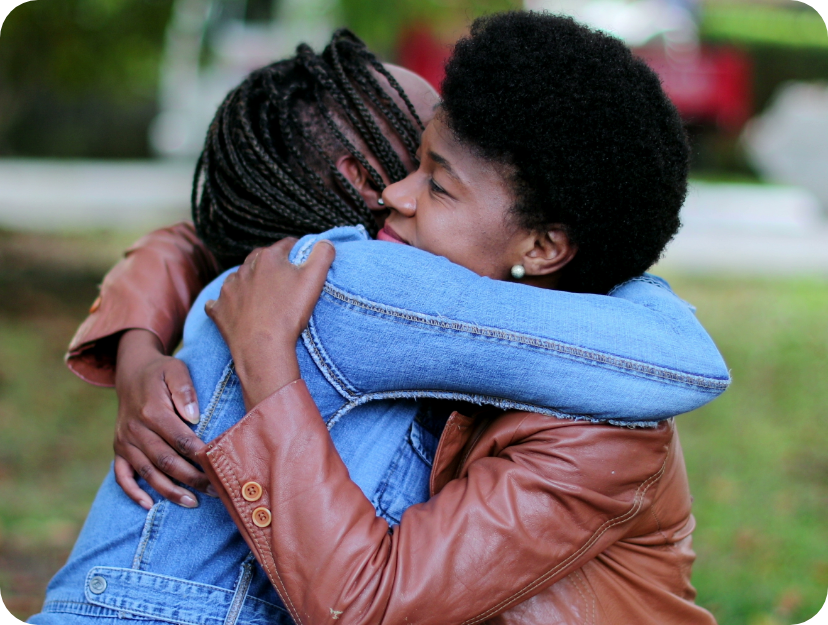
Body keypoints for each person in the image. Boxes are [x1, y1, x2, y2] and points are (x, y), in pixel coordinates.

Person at [38, 17, 722, 625]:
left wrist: (266, 360)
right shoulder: (382, 288)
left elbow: (368, 604)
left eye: (435, 180)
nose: (393, 195)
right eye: (408, 163)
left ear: (542, 248)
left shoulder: (601, 424)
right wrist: (135, 346)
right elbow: (220, 239)